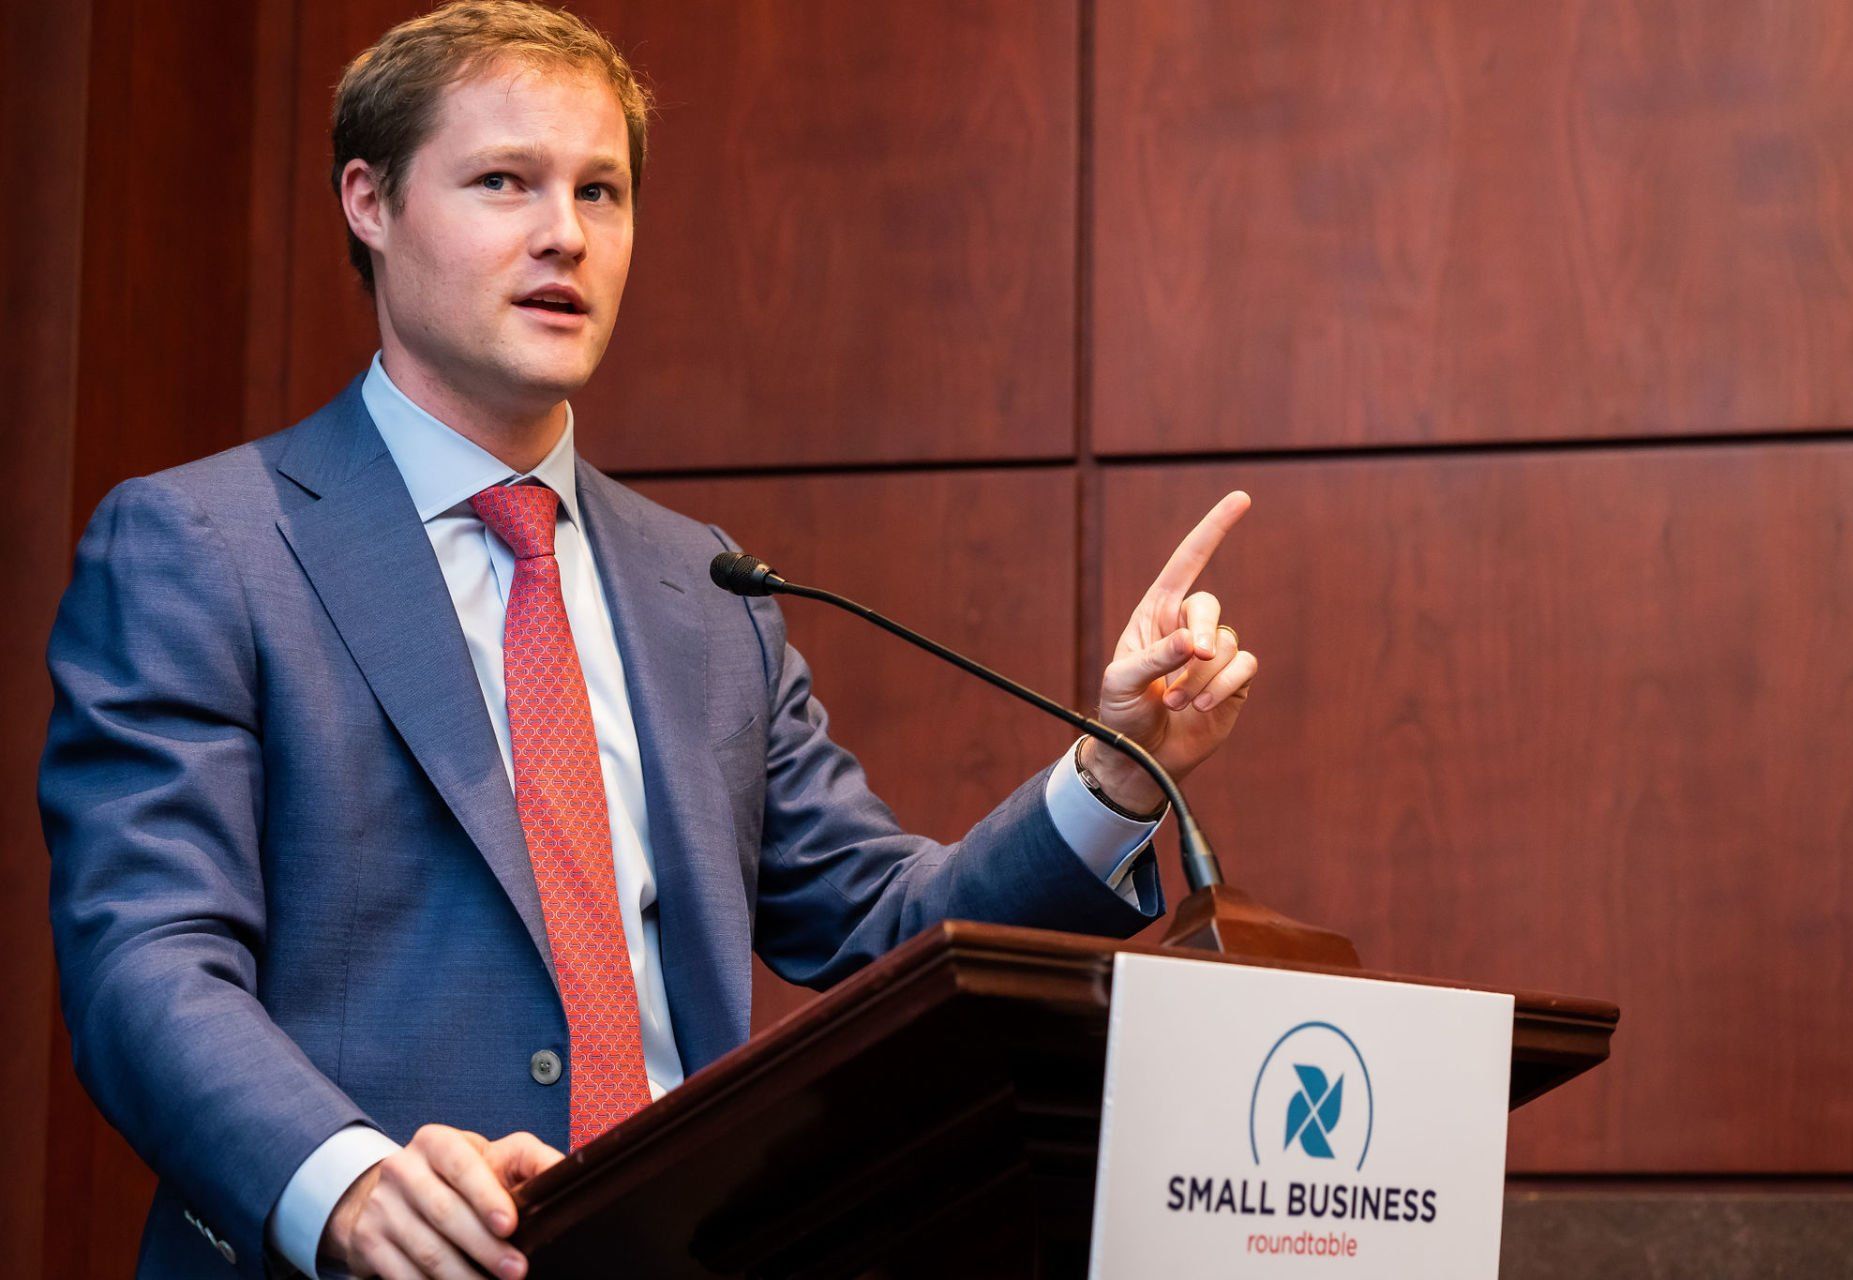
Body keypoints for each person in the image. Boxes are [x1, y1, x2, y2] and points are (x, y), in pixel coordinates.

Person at [38, 4, 1258, 1278]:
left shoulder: (704, 587)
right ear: (370, 202)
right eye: (504, 180)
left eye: (601, 191)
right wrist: (346, 1181)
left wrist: (1117, 771)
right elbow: (146, 960)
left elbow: (893, 931)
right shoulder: (204, 546)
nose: (565, 233)